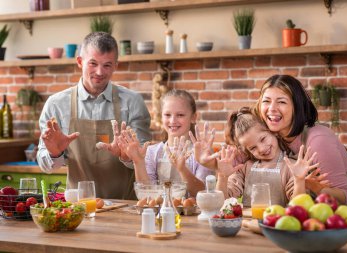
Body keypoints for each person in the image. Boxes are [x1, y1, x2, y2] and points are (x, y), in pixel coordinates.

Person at [37, 32, 151, 199]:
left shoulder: (133, 102)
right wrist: (55, 154)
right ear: (80, 62)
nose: (99, 72)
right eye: (93, 63)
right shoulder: (57, 105)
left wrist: (127, 156)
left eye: (107, 65)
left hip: (127, 207)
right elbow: (46, 166)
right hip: (78, 209)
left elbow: (146, 162)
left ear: (115, 66)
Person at [255, 74, 347, 204]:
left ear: (297, 107)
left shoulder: (318, 140)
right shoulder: (275, 138)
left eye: (281, 102)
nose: (272, 108)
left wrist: (312, 186)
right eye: (266, 101)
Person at [214, 107, 324, 207]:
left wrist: (299, 180)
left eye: (263, 139)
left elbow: (298, 207)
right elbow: (221, 202)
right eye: (253, 148)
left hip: (277, 226)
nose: (261, 149)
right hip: (248, 225)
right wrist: (222, 177)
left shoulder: (291, 167)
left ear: (273, 132)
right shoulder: (244, 168)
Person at [117, 89, 214, 197]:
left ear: (193, 117)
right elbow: (148, 196)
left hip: (192, 214)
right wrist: (138, 161)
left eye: (180, 115)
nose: (173, 120)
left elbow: (204, 194)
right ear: (161, 117)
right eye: (167, 115)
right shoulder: (152, 152)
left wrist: (182, 169)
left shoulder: (201, 153)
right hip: (160, 213)